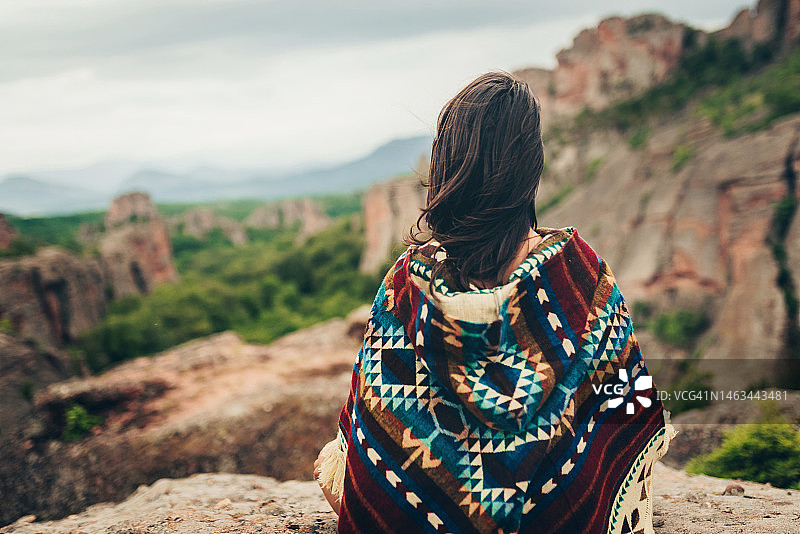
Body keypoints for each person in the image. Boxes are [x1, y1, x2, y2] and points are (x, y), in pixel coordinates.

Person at [314, 72, 673, 534]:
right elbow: (625, 417)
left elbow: (361, 462)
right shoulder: (578, 278)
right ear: (531, 171)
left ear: (445, 165)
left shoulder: (407, 287)